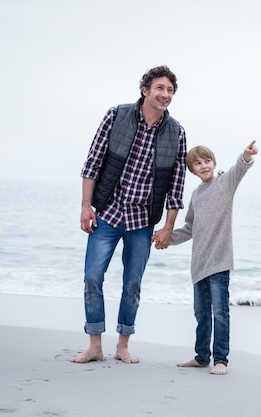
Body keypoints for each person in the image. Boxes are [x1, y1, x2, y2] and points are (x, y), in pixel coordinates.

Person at [71, 65, 187, 364]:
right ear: (145, 89)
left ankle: (123, 346)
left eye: (170, 90)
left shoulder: (177, 132)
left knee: (133, 283)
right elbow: (93, 163)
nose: (165, 95)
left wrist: (167, 227)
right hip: (108, 212)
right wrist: (86, 206)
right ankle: (95, 344)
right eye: (160, 88)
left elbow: (176, 185)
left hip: (142, 221)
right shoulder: (116, 116)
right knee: (92, 277)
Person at [152, 140, 258, 375]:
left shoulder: (224, 183)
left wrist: (246, 155)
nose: (204, 165)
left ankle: (221, 360)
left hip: (219, 262)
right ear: (192, 170)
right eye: (198, 163)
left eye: (207, 160)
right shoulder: (196, 194)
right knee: (201, 314)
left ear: (214, 162)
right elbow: (189, 228)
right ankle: (201, 356)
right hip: (199, 264)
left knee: (220, 313)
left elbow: (239, 169)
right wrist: (166, 237)